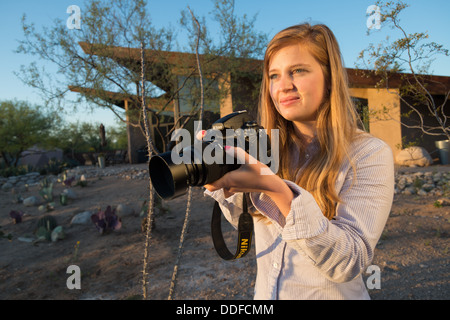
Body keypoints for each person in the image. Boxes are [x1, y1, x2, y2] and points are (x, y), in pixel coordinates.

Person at [203, 23, 394, 300]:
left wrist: (275, 189)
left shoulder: (368, 153)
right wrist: (219, 179)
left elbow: (349, 261)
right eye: (274, 75)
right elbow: (247, 221)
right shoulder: (264, 148)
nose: (283, 86)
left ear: (329, 77)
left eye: (298, 71)